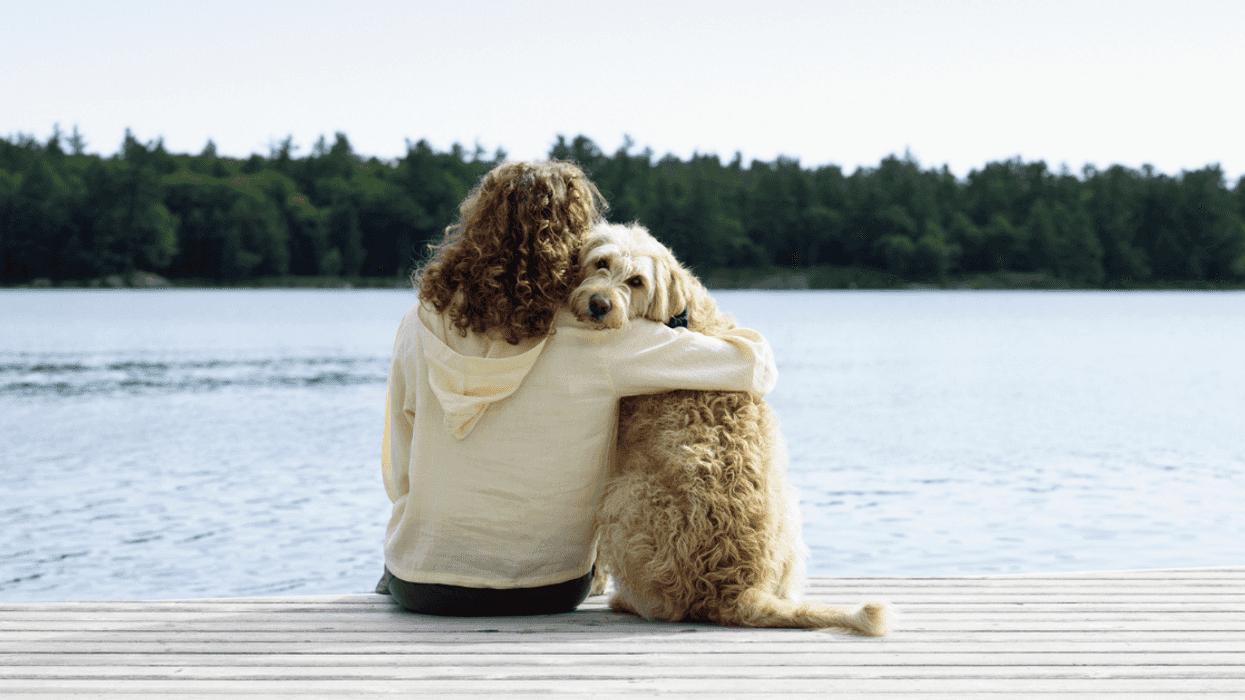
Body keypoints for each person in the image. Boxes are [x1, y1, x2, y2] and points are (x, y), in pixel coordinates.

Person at [378, 160, 777, 616]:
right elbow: (755, 368)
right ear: (572, 243)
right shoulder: (603, 338)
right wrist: (685, 310)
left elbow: (399, 466)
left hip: (421, 583)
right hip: (548, 587)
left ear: (475, 226)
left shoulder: (417, 321)